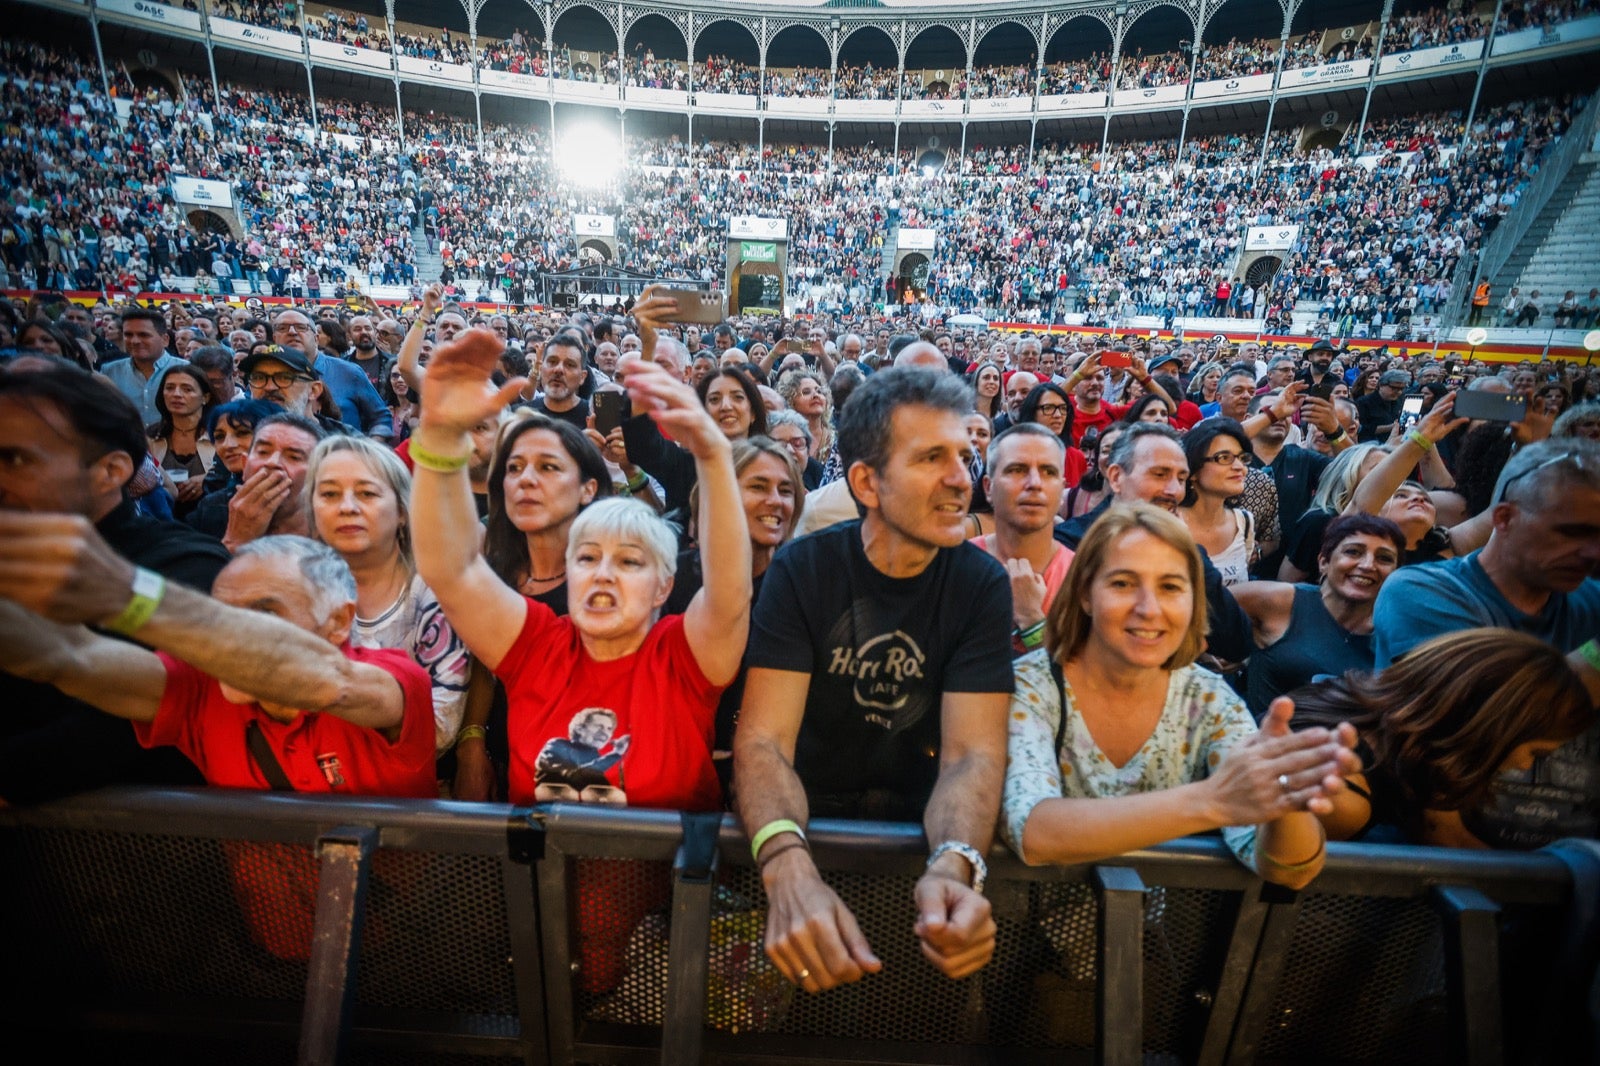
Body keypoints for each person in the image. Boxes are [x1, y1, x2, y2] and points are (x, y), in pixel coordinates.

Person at [734, 366, 1012, 993]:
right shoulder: (803, 571)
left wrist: (954, 865)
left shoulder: (981, 585)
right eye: (931, 458)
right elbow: (763, 742)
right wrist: (785, 866)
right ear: (866, 481)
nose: (960, 479)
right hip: (807, 831)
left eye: (965, 457)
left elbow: (972, 754)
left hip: (918, 844)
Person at [1000, 504, 1357, 890]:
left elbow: (1291, 870)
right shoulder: (1031, 685)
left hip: (1154, 945)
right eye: (1122, 584)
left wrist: (1285, 802)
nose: (1148, 609)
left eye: (1170, 587)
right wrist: (1212, 801)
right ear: (1085, 593)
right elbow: (1035, 831)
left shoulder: (1208, 700)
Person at [0, 362, 232, 803]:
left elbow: (112, 730)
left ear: (111, 470)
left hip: (129, 853)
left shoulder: (187, 568)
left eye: (15, 459)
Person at [1296, 631, 1594, 848]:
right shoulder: (1344, 799)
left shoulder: (1363, 711)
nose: (1525, 765)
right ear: (1490, 728)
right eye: (1535, 753)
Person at [306, 436, 470, 757]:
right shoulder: (293, 590)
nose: (347, 507)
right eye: (329, 494)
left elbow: (440, 728)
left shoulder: (437, 597)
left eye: (367, 493)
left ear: (402, 512)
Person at [1056, 423, 1254, 663]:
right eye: (1159, 475)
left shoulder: (1182, 549)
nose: (1174, 491)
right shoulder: (1070, 544)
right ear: (1116, 477)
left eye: (1181, 478)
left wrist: (1189, 552)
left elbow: (1236, 642)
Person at [1231, 513, 1405, 718]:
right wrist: (1210, 652)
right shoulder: (1279, 601)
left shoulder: (1397, 635)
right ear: (1323, 561)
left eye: (1384, 558)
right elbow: (1198, 604)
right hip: (1261, 744)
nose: (1368, 565)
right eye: (1353, 552)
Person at [971, 424, 1074, 656]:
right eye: (1017, 469)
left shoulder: (1083, 578)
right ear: (988, 487)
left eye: (1048, 471)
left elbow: (1079, 686)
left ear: (1062, 490)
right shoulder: (953, 566)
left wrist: (1031, 618)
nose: (1035, 483)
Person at [271, 309, 391, 439]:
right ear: (274, 338)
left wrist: (368, 450)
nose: (292, 332)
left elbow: (381, 418)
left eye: (301, 327)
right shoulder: (264, 377)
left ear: (316, 338)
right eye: (282, 328)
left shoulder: (348, 372)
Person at [219, 412, 326, 552]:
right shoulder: (207, 519)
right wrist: (234, 543)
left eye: (294, 457)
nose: (273, 463)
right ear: (244, 466)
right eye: (263, 452)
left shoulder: (338, 537)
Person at [1178, 419, 1258, 587]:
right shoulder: (1168, 524)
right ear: (1192, 471)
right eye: (1223, 458)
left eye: (1242, 458)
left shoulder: (1244, 522)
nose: (1239, 467)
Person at [146, 363, 217, 516]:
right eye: (170, 388)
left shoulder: (220, 434)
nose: (176, 394)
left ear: (205, 397)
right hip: (162, 521)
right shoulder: (151, 437)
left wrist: (209, 480)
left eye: (187, 389)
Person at [100, 307, 183, 424]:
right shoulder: (110, 372)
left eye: (143, 335)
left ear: (165, 340)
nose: (134, 341)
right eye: (128, 335)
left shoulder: (186, 370)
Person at [1015, 382, 1088, 487]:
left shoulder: (1076, 458)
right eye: (1048, 408)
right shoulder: (1016, 454)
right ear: (1032, 412)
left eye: (1063, 408)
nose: (1058, 415)